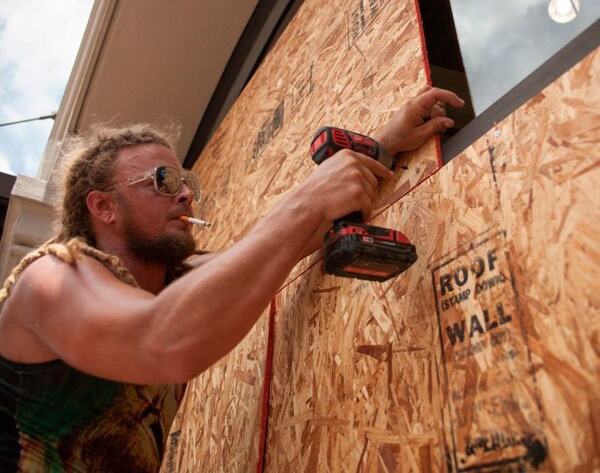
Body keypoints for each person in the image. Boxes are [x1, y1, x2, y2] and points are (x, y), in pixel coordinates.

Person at [0, 86, 463, 471]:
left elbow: (281, 243)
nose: (184, 194)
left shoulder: (175, 284)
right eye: (162, 180)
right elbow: (160, 339)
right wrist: (306, 201)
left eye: (186, 182)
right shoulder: (50, 278)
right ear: (103, 207)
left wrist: (384, 145)